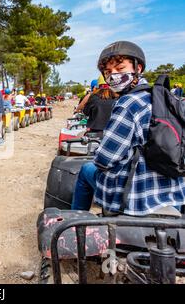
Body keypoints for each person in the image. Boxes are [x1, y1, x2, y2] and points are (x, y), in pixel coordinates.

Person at [71, 41, 185, 215]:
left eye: (120, 68)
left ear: (138, 68)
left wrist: (99, 156)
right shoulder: (165, 98)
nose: (113, 75)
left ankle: (74, 221)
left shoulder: (128, 103)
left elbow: (105, 159)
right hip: (171, 193)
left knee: (87, 169)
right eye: (108, 72)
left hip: (134, 197)